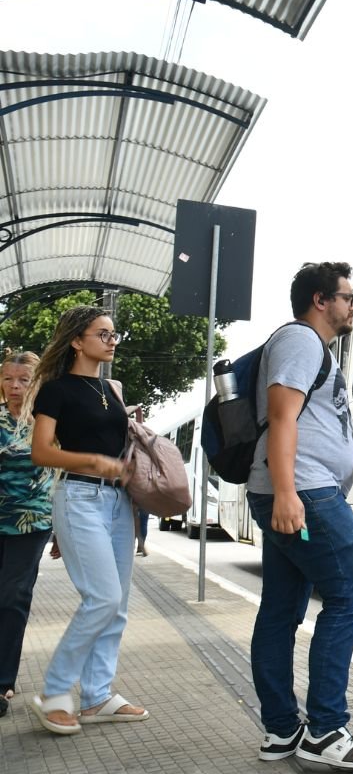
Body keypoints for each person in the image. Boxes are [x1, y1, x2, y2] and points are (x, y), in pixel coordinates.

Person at [246, 262, 353, 770]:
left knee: (282, 607)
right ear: (320, 300)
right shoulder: (301, 341)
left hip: (300, 489)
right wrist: (286, 492)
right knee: (352, 595)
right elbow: (282, 415)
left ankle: (282, 730)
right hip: (305, 491)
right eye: (347, 297)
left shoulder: (311, 347)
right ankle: (326, 729)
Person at [27, 306, 147, 734]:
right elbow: (41, 451)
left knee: (118, 607)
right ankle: (55, 693)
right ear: (77, 340)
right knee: (102, 598)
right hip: (79, 496)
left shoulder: (110, 389)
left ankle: (97, 695)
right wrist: (93, 460)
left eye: (115, 335)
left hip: (118, 504)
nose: (112, 341)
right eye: (103, 334)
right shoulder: (56, 390)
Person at [0, 351, 54, 719]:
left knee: (12, 594)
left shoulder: (49, 421)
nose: (15, 386)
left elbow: (61, 476)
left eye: (23, 379)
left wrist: (63, 532)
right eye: (8, 379)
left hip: (31, 522)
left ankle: (3, 679)